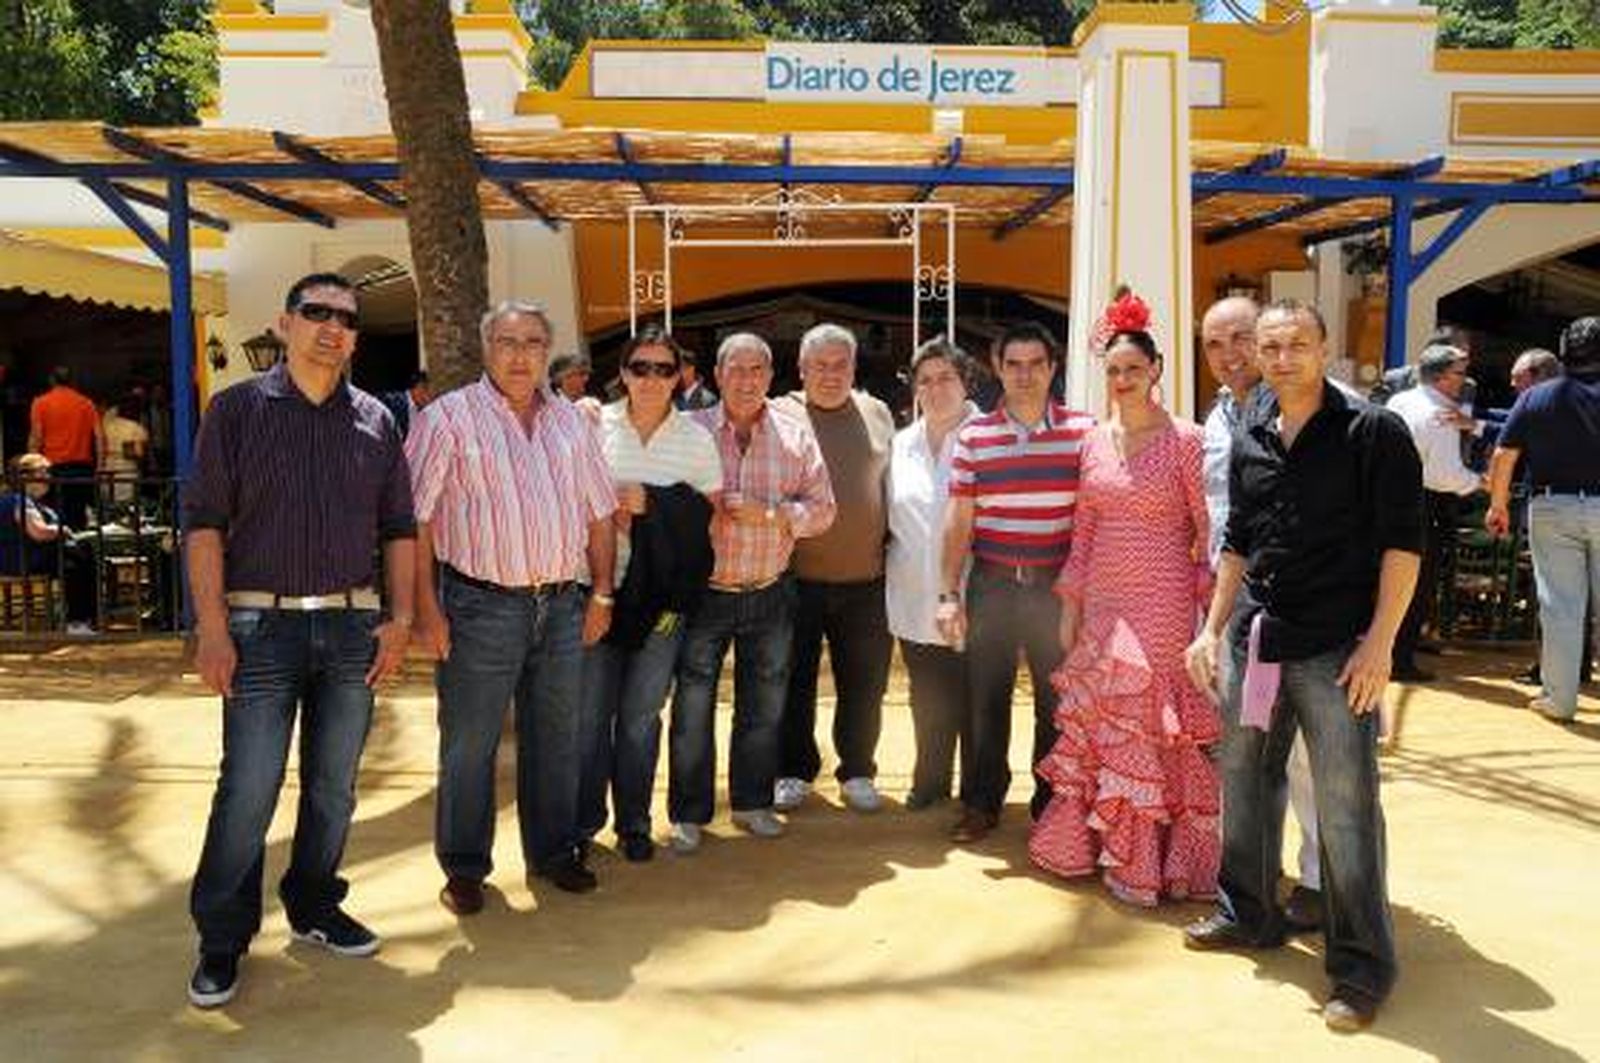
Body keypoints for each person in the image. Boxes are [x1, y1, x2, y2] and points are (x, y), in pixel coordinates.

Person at [1183, 299, 1423, 1034]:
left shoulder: (1371, 431)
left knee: (1347, 808)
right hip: (1256, 639)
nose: (1282, 357)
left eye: (1298, 344)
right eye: (1271, 346)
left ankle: (1360, 967)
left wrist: (1381, 642)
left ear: (1324, 350)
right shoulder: (1251, 432)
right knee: (1246, 782)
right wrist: (1210, 627)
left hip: (1336, 646)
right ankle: (1248, 912)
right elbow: (1238, 542)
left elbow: (1403, 544)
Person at [183, 272, 416, 1009]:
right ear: (284, 324)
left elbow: (400, 529)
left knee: (334, 788)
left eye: (346, 318)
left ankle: (314, 903)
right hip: (259, 628)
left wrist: (402, 617)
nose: (332, 327)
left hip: (352, 627)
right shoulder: (237, 410)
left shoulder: (376, 420)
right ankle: (222, 935)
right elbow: (204, 524)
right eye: (316, 313)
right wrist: (213, 628)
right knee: (248, 788)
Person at [406, 301, 618, 917]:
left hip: (561, 606)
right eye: (506, 341)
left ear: (547, 349)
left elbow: (600, 512)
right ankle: (466, 867)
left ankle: (553, 854)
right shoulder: (448, 419)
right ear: (485, 349)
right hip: (478, 607)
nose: (520, 353)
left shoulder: (573, 424)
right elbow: (416, 521)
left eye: (532, 341)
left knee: (557, 738)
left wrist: (601, 591)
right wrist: (427, 610)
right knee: (469, 742)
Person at [1029, 322, 1217, 905]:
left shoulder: (1186, 438)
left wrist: (1208, 615)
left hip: (1163, 601)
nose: (1123, 380)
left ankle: (1152, 863)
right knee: (1103, 725)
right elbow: (1083, 531)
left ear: (1156, 369)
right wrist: (1071, 604)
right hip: (1104, 605)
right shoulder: (1093, 441)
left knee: (1151, 725)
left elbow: (1206, 526)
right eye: (1113, 371)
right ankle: (1096, 848)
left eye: (1134, 369)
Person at [667, 332, 835, 853]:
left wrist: (775, 514)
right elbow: (659, 503)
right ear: (717, 375)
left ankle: (752, 803)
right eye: (736, 369)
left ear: (771, 376)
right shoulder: (687, 432)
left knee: (763, 707)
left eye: (757, 369)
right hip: (703, 594)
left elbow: (824, 509)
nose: (747, 380)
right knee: (692, 708)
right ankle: (689, 813)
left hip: (770, 592)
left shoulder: (794, 434)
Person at [937, 321, 1094, 844]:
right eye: (1013, 364)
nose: (1024, 375)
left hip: (1057, 588)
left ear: (1053, 368)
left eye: (1036, 364)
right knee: (984, 698)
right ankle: (981, 802)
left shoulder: (1084, 432)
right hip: (994, 583)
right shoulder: (974, 436)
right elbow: (959, 519)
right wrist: (947, 594)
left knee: (1056, 701)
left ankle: (1051, 805)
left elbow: (1095, 516)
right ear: (997, 369)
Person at [1198, 296, 1322, 931]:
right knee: (1244, 751)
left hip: (1302, 610)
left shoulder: (1309, 411)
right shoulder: (1218, 418)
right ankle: (1248, 892)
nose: (1231, 355)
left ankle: (1321, 879)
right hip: (1239, 607)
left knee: (1303, 751)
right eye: (1215, 344)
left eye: (1241, 338)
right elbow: (1224, 525)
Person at [576, 325, 722, 864]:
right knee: (590, 716)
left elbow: (712, 516)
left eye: (664, 369)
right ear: (622, 374)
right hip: (596, 594)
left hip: (662, 607)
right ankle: (584, 822)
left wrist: (650, 504)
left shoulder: (695, 439)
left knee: (640, 718)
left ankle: (633, 822)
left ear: (680, 376)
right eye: (641, 367)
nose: (652, 379)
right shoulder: (590, 426)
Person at [773, 323, 897, 814]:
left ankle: (858, 769)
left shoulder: (878, 412)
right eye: (819, 365)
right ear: (801, 370)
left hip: (867, 581)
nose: (830, 374)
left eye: (839, 364)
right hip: (796, 580)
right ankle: (793, 769)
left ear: (853, 368)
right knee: (793, 681)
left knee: (865, 683)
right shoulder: (779, 413)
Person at [1486, 316, 1600, 725]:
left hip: (1552, 507)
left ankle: (1559, 700)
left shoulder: (1537, 397)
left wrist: (1497, 505)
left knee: (1561, 608)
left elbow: (1504, 456)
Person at [887, 338, 977, 810]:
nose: (936, 388)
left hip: (974, 593)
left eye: (946, 377)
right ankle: (931, 780)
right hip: (913, 592)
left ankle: (979, 789)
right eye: (925, 380)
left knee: (975, 696)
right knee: (927, 695)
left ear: (966, 382)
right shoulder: (900, 444)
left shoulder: (989, 437)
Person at [1387, 344, 1486, 681]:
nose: (1464, 379)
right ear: (1442, 376)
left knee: (1392, 580)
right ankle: (1400, 658)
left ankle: (1397, 648)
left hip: (1393, 500)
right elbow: (1446, 476)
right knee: (1418, 583)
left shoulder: (1401, 401)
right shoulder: (1440, 415)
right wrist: (1483, 482)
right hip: (1425, 505)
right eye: (1459, 372)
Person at [0, 452, 96, 631]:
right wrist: (62, 530)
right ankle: (76, 620)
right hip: (23, 559)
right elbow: (37, 532)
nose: (48, 477)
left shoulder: (26, 500)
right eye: (43, 472)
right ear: (25, 476)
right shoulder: (18, 500)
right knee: (76, 560)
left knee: (81, 554)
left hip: (19, 557)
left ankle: (78, 614)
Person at [28, 365, 102, 530]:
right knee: (78, 514)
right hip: (82, 469)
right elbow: (98, 437)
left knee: (53, 515)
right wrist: (100, 466)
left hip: (52, 468)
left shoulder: (40, 403)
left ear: (52, 380)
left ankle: (58, 552)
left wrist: (31, 464)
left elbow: (36, 436)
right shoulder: (86, 403)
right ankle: (78, 551)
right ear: (72, 382)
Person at [100, 398, 150, 506]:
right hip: (127, 473)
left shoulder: (104, 426)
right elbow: (138, 453)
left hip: (106, 471)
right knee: (126, 508)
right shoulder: (135, 428)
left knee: (108, 508)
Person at [379, 371, 431, 439]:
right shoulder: (395, 401)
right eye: (424, 388)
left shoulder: (420, 409)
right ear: (414, 389)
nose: (426, 395)